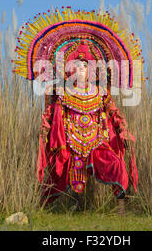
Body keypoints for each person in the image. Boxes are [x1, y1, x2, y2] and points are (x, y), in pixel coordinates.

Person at [37, 41, 138, 215]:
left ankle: (121, 209)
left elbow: (113, 112)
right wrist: (45, 128)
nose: (81, 68)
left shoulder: (100, 92)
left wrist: (122, 129)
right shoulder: (62, 91)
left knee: (116, 165)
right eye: (77, 64)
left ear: (91, 68)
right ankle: (42, 208)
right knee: (58, 172)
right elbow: (51, 113)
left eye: (85, 65)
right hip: (70, 145)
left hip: (97, 143)